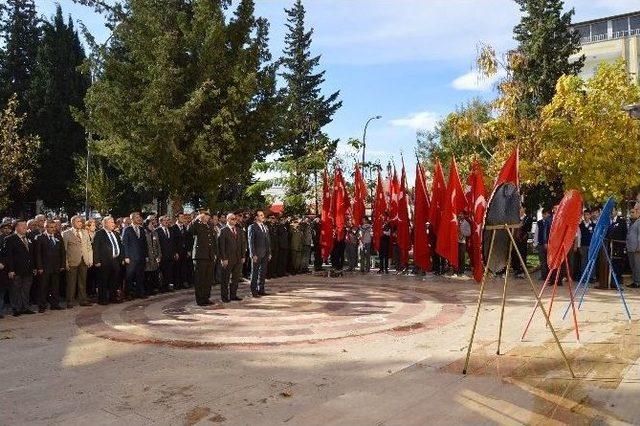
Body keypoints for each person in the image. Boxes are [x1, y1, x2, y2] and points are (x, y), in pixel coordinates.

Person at [4, 220, 36, 316]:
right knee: (15, 290)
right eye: (23, 226)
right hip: (16, 270)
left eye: (26, 226)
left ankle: (25, 307)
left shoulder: (28, 238)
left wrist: (33, 267)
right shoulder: (10, 239)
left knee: (25, 290)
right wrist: (11, 270)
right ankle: (16, 309)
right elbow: (8, 256)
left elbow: (32, 254)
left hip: (28, 269)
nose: (25, 228)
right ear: (16, 227)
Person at [33, 220, 66, 312]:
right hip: (44, 267)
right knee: (43, 287)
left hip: (56, 267)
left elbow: (63, 252)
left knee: (55, 287)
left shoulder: (58, 236)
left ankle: (54, 304)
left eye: (55, 227)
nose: (54, 229)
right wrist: (39, 267)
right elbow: (38, 254)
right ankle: (42, 305)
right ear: (46, 227)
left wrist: (62, 264)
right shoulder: (39, 238)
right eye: (51, 227)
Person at [62, 215, 93, 308]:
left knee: (82, 282)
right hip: (72, 261)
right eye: (78, 221)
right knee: (71, 283)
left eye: (81, 221)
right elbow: (64, 250)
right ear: (72, 223)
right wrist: (66, 262)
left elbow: (89, 247)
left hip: (84, 260)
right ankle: (70, 301)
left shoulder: (85, 232)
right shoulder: (66, 233)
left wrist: (90, 259)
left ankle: (83, 300)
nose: (80, 223)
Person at [92, 216, 124, 305]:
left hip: (115, 261)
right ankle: (102, 299)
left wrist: (121, 258)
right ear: (105, 224)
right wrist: (96, 261)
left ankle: (113, 298)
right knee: (103, 281)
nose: (113, 224)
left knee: (114, 281)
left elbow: (120, 246)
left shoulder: (116, 234)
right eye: (111, 222)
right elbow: (95, 248)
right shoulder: (99, 234)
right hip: (104, 261)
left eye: (113, 222)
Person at [190, 210, 217, 306]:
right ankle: (200, 300)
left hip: (209, 255)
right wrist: (195, 219)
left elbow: (213, 241)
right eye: (205, 215)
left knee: (208, 279)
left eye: (208, 215)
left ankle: (206, 297)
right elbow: (191, 231)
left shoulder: (209, 226)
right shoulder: (197, 224)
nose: (208, 217)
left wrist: (215, 253)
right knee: (200, 279)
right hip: (200, 256)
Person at [217, 213, 245, 302]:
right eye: (233, 219)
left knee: (235, 278)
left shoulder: (239, 230)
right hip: (228, 259)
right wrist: (223, 258)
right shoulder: (223, 230)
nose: (235, 220)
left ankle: (233, 295)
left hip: (237, 258)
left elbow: (242, 244)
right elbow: (221, 246)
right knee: (225, 279)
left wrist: (243, 256)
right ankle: (224, 297)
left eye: (235, 219)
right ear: (228, 219)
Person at [121, 212, 148, 299]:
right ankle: (127, 294)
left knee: (140, 276)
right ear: (132, 219)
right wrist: (126, 256)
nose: (139, 218)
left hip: (141, 257)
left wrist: (146, 255)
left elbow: (145, 243)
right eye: (137, 217)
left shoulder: (141, 229)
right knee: (129, 277)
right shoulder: (127, 229)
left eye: (139, 217)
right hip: (131, 258)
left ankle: (139, 293)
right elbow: (125, 244)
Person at [248, 211, 271, 297]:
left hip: (265, 253)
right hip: (256, 254)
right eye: (261, 215)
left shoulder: (265, 226)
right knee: (255, 273)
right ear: (256, 217)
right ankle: (253, 291)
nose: (263, 217)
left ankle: (261, 289)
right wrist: (253, 254)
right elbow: (251, 242)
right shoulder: (252, 227)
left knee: (263, 272)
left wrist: (269, 252)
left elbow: (268, 241)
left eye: (263, 215)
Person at [172, 212, 193, 289]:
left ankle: (183, 282)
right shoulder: (173, 228)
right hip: (177, 251)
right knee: (177, 268)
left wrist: (188, 250)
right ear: (177, 218)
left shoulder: (184, 227)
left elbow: (187, 240)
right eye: (181, 217)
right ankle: (177, 284)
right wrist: (175, 252)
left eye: (183, 217)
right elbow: (173, 241)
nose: (182, 218)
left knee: (183, 267)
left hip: (184, 251)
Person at [156, 215, 177, 292]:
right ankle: (162, 287)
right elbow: (157, 244)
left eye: (167, 220)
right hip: (162, 255)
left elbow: (173, 242)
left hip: (170, 254)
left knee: (169, 271)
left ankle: (169, 286)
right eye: (165, 220)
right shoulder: (157, 231)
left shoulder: (170, 230)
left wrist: (175, 252)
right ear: (161, 222)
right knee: (162, 271)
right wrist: (158, 255)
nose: (167, 222)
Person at [142, 218, 162, 294]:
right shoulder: (143, 233)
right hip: (147, 257)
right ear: (147, 225)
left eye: (153, 224)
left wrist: (159, 255)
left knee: (154, 273)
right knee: (147, 274)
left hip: (154, 257)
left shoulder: (155, 233)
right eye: (151, 224)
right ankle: (147, 290)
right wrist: (145, 256)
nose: (152, 225)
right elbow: (143, 246)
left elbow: (158, 245)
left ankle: (153, 289)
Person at [0, 219, 12, 318]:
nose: (7, 230)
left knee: (3, 291)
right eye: (5, 228)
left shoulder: (11, 239)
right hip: (1, 268)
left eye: (9, 228)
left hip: (7, 269)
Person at [578, 210, 594, 281]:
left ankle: (591, 277)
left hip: (591, 246)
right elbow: (578, 236)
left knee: (591, 261)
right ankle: (584, 277)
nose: (586, 216)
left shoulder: (594, 225)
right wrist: (579, 246)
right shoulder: (580, 225)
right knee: (583, 262)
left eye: (587, 214)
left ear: (590, 215)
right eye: (584, 215)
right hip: (583, 246)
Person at [626, 207, 640, 288]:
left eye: (633, 212)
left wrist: (639, 247)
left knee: (637, 266)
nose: (631, 214)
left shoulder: (639, 222)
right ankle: (635, 280)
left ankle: (637, 282)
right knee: (632, 265)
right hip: (630, 248)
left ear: (638, 213)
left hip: (636, 248)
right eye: (630, 212)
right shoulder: (631, 222)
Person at [537, 208, 551, 280]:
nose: (546, 215)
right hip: (541, 244)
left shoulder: (551, 223)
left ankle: (549, 276)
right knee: (542, 261)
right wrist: (535, 243)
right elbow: (537, 233)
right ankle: (543, 275)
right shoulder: (539, 223)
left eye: (548, 214)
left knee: (548, 260)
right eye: (545, 214)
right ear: (542, 215)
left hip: (549, 244)